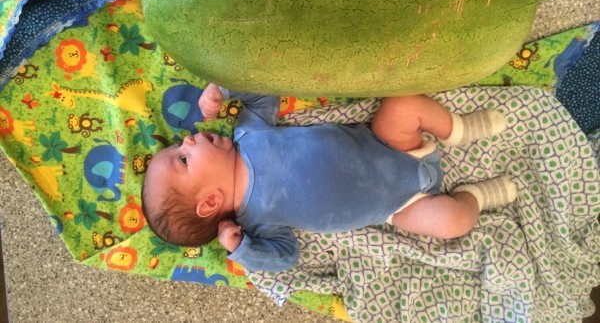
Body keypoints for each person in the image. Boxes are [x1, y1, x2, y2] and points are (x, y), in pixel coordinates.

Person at [142, 83, 517, 272]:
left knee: (403, 104)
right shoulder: (258, 223)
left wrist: (222, 90)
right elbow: (286, 258)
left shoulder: (249, 135)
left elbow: (262, 93)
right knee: (452, 222)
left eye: (178, 145)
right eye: (183, 159)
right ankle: (477, 196)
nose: (187, 139)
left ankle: (460, 130)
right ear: (209, 202)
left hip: (386, 143)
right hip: (401, 206)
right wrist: (242, 250)